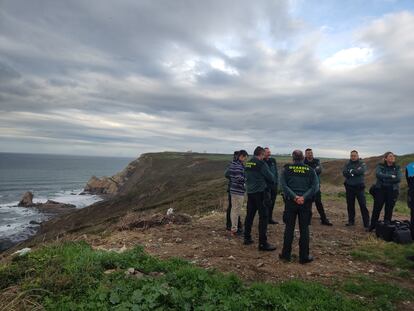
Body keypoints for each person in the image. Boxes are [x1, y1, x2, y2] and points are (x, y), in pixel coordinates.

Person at [279, 150, 319, 264]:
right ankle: (304, 257)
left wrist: (294, 197)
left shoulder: (286, 170)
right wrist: (304, 197)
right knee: (304, 229)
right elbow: (315, 187)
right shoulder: (310, 170)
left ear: (293, 158)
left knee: (289, 229)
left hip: (290, 203)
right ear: (302, 158)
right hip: (305, 204)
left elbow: (283, 185)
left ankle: (286, 255)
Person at [243, 146, 276, 251]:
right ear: (261, 154)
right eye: (263, 155)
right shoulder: (261, 164)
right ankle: (263, 243)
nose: (263, 157)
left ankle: (247, 238)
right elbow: (271, 177)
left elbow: (245, 176)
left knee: (249, 216)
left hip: (250, 193)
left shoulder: (248, 163)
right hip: (261, 193)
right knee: (264, 217)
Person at [368, 152, 402, 231]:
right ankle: (372, 226)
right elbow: (378, 175)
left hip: (392, 191)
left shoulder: (397, 167)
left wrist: (385, 179)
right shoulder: (380, 166)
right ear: (385, 158)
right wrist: (391, 176)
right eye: (390, 156)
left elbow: (398, 179)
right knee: (377, 208)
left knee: (389, 209)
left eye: (393, 156)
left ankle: (386, 228)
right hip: (380, 190)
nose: (392, 157)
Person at [304, 148, 333, 226]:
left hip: (316, 186)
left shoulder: (317, 161)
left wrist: (309, 171)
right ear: (305, 154)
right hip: (307, 187)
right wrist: (313, 170)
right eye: (308, 153)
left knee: (318, 203)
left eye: (311, 153)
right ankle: (307, 220)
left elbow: (319, 170)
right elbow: (304, 173)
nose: (310, 154)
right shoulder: (303, 162)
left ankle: (324, 219)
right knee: (308, 204)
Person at [342, 150, 370, 228]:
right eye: (352, 156)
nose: (353, 157)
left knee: (363, 205)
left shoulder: (362, 163)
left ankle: (367, 223)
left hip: (359, 187)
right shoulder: (347, 163)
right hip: (349, 187)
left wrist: (350, 172)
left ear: (357, 156)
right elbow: (344, 172)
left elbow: (361, 171)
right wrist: (354, 172)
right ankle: (351, 221)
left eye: (354, 156)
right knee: (350, 205)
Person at [226, 150, 248, 236]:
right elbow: (239, 178)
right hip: (238, 191)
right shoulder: (238, 166)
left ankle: (234, 228)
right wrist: (246, 180)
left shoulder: (232, 164)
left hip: (233, 190)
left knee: (234, 210)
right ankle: (235, 230)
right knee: (236, 211)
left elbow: (230, 175)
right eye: (245, 158)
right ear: (241, 156)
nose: (245, 160)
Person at [225, 151, 243, 233]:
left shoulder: (236, 164)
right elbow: (226, 174)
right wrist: (234, 178)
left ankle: (236, 224)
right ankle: (231, 225)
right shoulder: (234, 165)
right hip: (234, 188)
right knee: (233, 208)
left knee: (234, 208)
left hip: (233, 188)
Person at [263, 147, 279, 224]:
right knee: (266, 203)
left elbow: (276, 172)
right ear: (263, 153)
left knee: (272, 202)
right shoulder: (261, 161)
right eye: (267, 152)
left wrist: (277, 182)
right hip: (265, 186)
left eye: (269, 152)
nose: (269, 153)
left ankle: (270, 218)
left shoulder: (273, 160)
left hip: (273, 185)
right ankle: (265, 219)